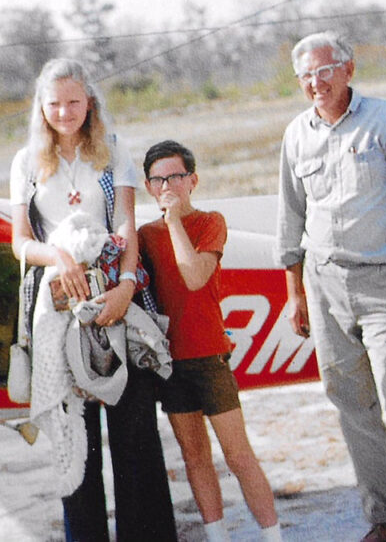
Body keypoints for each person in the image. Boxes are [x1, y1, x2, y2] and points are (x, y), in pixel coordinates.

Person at [275, 31, 386, 542]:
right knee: (351, 406)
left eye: (324, 70)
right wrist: (295, 291)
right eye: (306, 75)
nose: (315, 82)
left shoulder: (385, 120)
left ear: (348, 70)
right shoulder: (296, 136)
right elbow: (291, 218)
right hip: (324, 284)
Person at [9, 58, 176, 541]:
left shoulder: (112, 152)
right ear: (42, 107)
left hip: (117, 294)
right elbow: (21, 241)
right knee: (75, 436)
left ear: (89, 103)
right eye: (55, 103)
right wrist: (58, 256)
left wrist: (126, 287)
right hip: (60, 302)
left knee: (135, 434)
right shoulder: (27, 162)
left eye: (74, 102)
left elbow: (125, 223)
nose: (65, 112)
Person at [138, 140, 283, 542]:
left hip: (208, 354)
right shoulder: (143, 235)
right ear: (148, 186)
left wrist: (172, 222)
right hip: (170, 360)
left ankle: (273, 536)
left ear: (193, 180)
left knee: (238, 455)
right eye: (158, 179)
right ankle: (217, 535)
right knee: (195, 457)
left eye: (176, 177)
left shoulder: (210, 222)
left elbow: (194, 276)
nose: (168, 185)